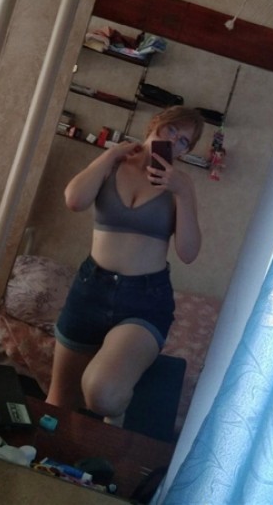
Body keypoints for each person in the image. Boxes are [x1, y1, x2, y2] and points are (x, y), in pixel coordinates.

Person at [46, 106, 204, 423]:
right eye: (172, 130)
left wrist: (184, 193)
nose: (174, 141)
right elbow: (74, 200)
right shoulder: (113, 163)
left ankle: (117, 413)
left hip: (145, 300)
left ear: (185, 152)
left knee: (102, 394)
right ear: (156, 124)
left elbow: (188, 252)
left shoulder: (179, 185)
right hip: (90, 290)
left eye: (184, 141)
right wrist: (110, 155)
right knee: (59, 402)